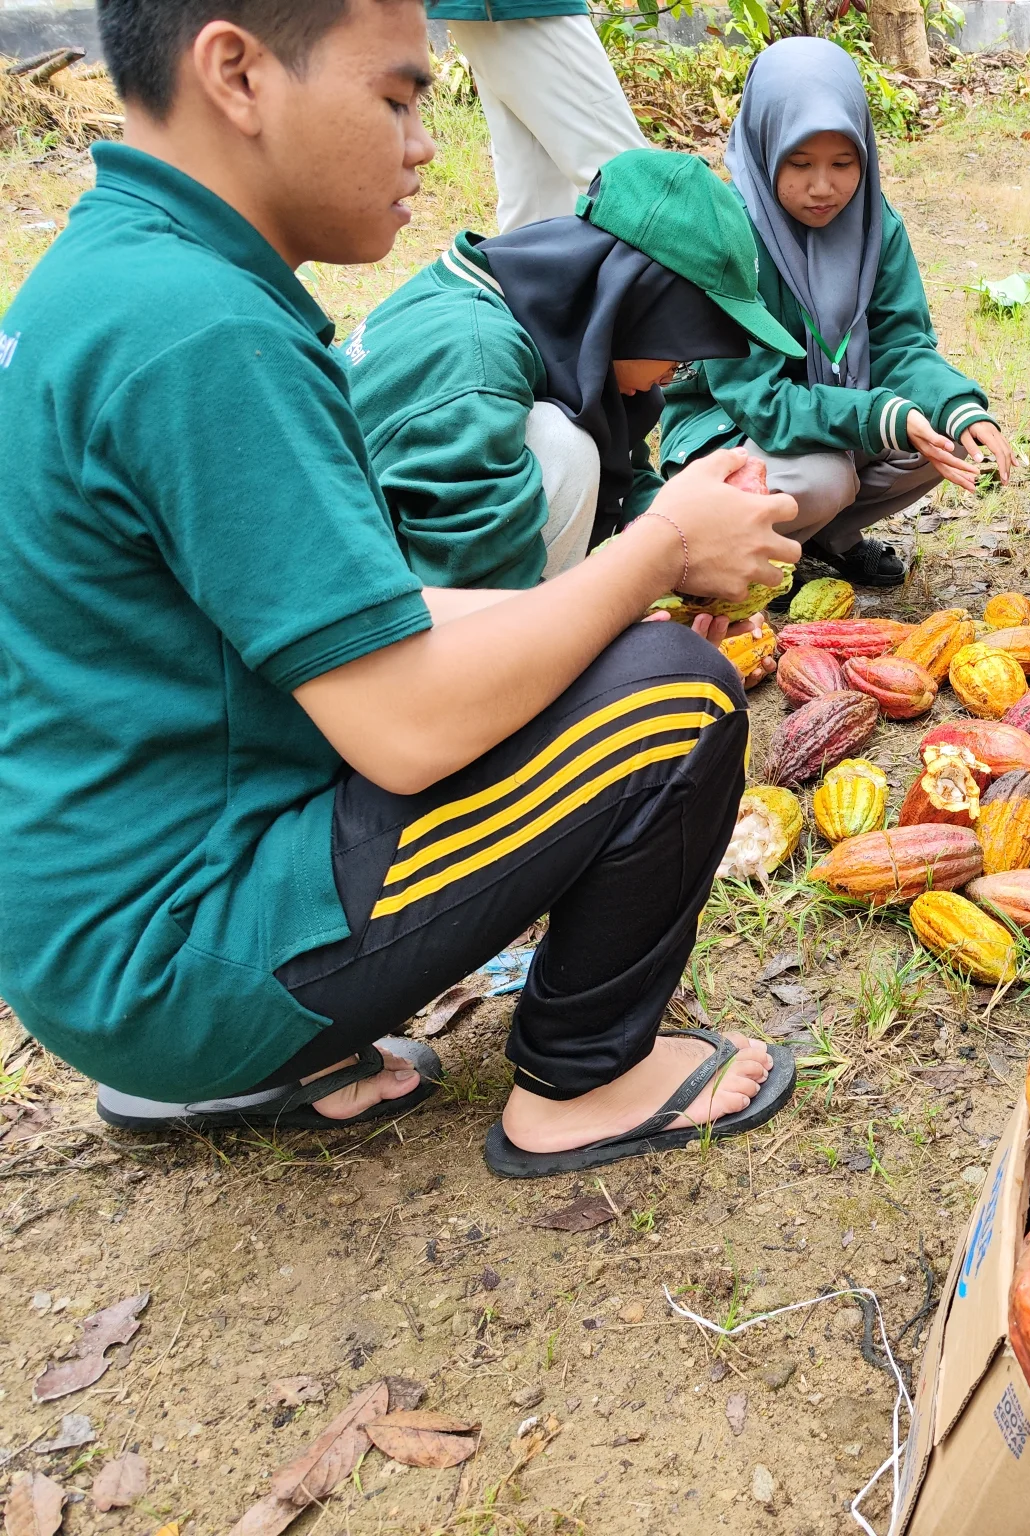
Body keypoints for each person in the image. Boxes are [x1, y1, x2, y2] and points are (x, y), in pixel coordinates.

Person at [0, 0, 806, 1179]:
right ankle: (583, 1081)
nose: (426, 141)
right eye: (396, 96)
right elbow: (406, 725)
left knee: (606, 648)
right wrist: (663, 550)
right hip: (176, 961)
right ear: (237, 73)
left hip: (99, 949)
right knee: (674, 701)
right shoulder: (206, 332)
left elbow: (366, 623)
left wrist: (622, 585)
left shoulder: (110, 279)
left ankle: (256, 1061)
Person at [341, 148, 803, 590]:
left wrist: (699, 534)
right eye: (681, 354)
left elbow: (623, 479)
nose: (671, 376)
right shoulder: (479, 361)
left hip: (396, 571)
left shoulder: (539, 312)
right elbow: (476, 585)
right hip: (357, 608)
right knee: (564, 444)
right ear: (639, 311)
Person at [660, 38, 1013, 590]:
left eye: (843, 164)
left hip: (833, 412)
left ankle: (828, 539)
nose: (823, 188)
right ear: (763, 147)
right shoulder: (730, 239)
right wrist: (878, 415)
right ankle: (760, 556)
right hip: (732, 433)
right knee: (823, 475)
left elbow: (902, 344)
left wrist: (959, 410)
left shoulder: (876, 226)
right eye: (798, 164)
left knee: (935, 440)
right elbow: (761, 403)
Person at [428, 0, 646, 232]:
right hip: (526, 8)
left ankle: (530, 268)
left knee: (536, 206)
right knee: (636, 185)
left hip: (496, 12)